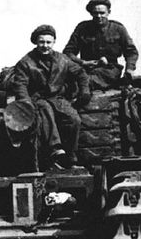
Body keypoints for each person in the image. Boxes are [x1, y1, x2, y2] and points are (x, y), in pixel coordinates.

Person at [9, 24, 90, 170]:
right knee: (44, 109)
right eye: (41, 42)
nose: (45, 46)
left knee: (74, 119)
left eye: (48, 42)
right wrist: (26, 104)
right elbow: (20, 85)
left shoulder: (62, 59)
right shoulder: (26, 62)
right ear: (35, 42)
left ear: (53, 42)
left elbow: (80, 73)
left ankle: (70, 158)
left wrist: (84, 91)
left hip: (57, 98)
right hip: (36, 98)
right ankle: (54, 148)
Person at [63, 0, 139, 90]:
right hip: (85, 69)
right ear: (91, 13)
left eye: (102, 13)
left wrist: (129, 69)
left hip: (110, 70)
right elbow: (68, 52)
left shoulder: (118, 29)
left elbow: (131, 52)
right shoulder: (82, 28)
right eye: (95, 13)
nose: (99, 16)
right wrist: (83, 62)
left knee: (83, 83)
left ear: (108, 12)